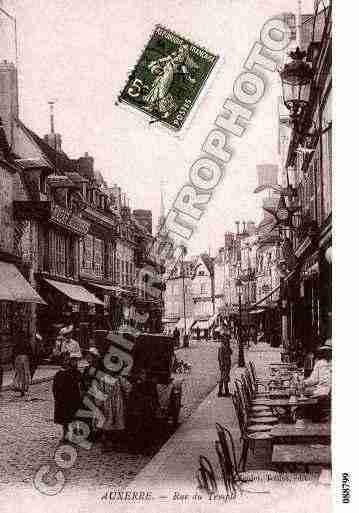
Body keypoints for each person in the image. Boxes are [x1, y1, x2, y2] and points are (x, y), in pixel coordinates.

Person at [53, 351, 83, 441]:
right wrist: (57, 397)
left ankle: (75, 434)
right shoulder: (58, 374)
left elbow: (80, 381)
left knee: (73, 416)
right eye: (64, 360)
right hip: (62, 399)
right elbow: (55, 388)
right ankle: (65, 434)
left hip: (73, 398)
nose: (66, 362)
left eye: (68, 360)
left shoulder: (73, 372)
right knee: (64, 419)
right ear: (61, 361)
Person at [217, 328, 232, 397]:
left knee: (224, 378)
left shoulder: (226, 346)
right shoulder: (221, 347)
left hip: (227, 364)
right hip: (224, 365)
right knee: (223, 378)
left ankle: (223, 392)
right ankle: (223, 392)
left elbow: (230, 353)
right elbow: (220, 358)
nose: (227, 340)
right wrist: (222, 365)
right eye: (226, 338)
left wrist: (228, 346)